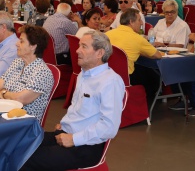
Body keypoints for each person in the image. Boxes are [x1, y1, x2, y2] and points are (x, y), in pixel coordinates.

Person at [21, 31, 125, 171]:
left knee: (24, 158)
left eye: (83, 46)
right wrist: (66, 123)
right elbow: (79, 109)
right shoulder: (83, 74)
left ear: (99, 53)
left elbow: (109, 127)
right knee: (19, 145)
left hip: (86, 145)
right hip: (66, 134)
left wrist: (74, 139)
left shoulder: (110, 81)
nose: (77, 50)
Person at [0, 25, 54, 123]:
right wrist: (7, 97)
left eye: (21, 41)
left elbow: (19, 99)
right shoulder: (17, 62)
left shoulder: (42, 73)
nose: (16, 44)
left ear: (33, 46)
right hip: (3, 115)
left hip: (22, 124)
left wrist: (3, 92)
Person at [106, 8, 162, 106]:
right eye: (139, 20)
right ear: (131, 22)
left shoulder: (107, 35)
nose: (141, 23)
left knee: (141, 69)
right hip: (126, 78)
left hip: (107, 74)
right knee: (154, 77)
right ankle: (143, 107)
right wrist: (140, 52)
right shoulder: (137, 39)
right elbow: (158, 55)